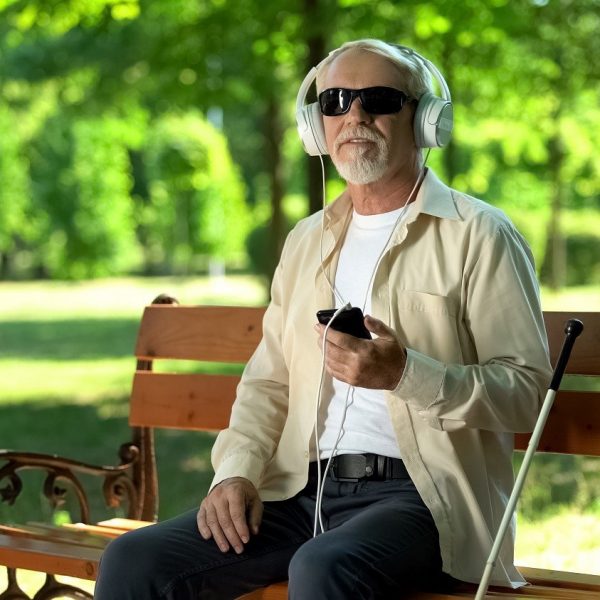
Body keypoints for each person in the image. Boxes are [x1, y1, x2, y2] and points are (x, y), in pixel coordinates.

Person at [95, 39, 552, 599]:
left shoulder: (479, 235)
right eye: (334, 101)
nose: (354, 115)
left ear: (427, 120)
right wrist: (236, 471)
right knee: (133, 560)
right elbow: (269, 381)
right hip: (297, 492)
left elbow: (526, 393)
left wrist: (405, 373)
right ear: (316, 127)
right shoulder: (307, 240)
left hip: (427, 499)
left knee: (322, 567)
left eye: (379, 99)